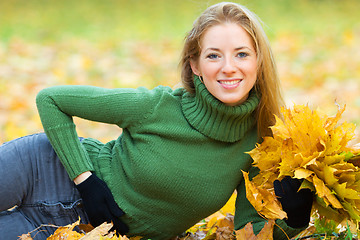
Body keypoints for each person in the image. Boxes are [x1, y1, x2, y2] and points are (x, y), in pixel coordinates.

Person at [0, 2, 313, 239]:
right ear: (195, 65)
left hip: (70, 230)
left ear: (260, 62)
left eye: (242, 54)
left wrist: (294, 220)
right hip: (40, 169)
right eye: (214, 55)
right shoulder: (157, 106)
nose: (228, 67)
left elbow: (250, 229)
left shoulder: (260, 143)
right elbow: (51, 99)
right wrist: (86, 180)